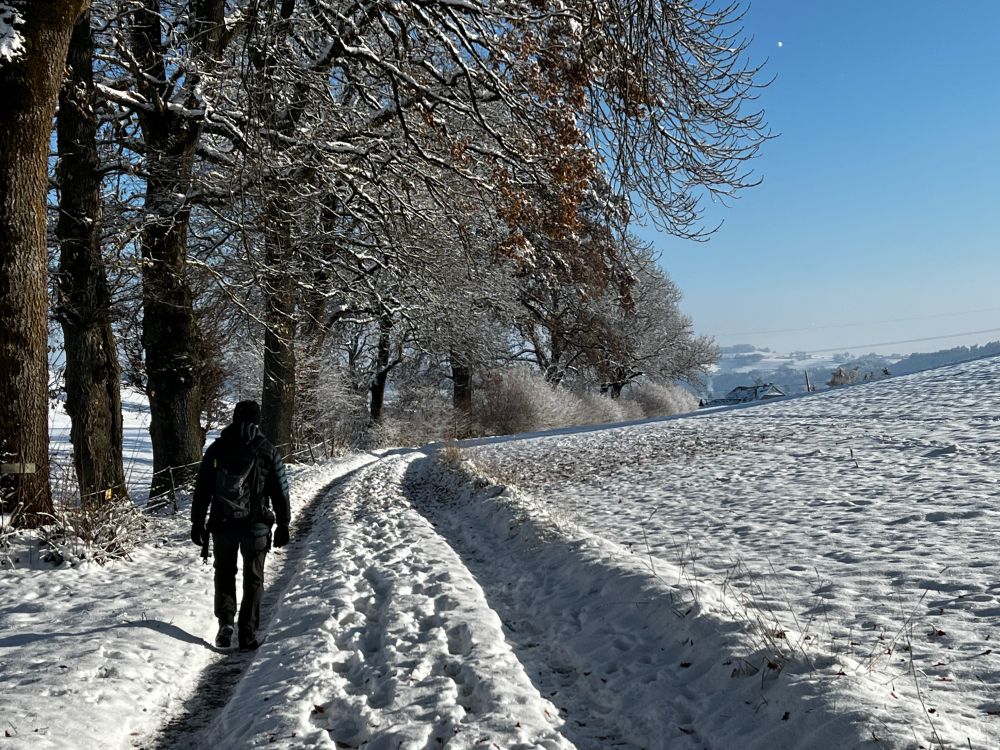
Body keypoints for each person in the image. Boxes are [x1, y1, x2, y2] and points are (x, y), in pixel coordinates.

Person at [190, 400, 291, 651]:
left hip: (222, 525)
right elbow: (280, 491)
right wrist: (284, 524)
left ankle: (225, 624)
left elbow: (202, 488)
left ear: (234, 418)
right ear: (258, 421)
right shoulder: (267, 450)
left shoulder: (218, 448)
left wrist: (197, 522)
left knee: (224, 573)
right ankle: (247, 632)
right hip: (256, 526)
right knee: (254, 578)